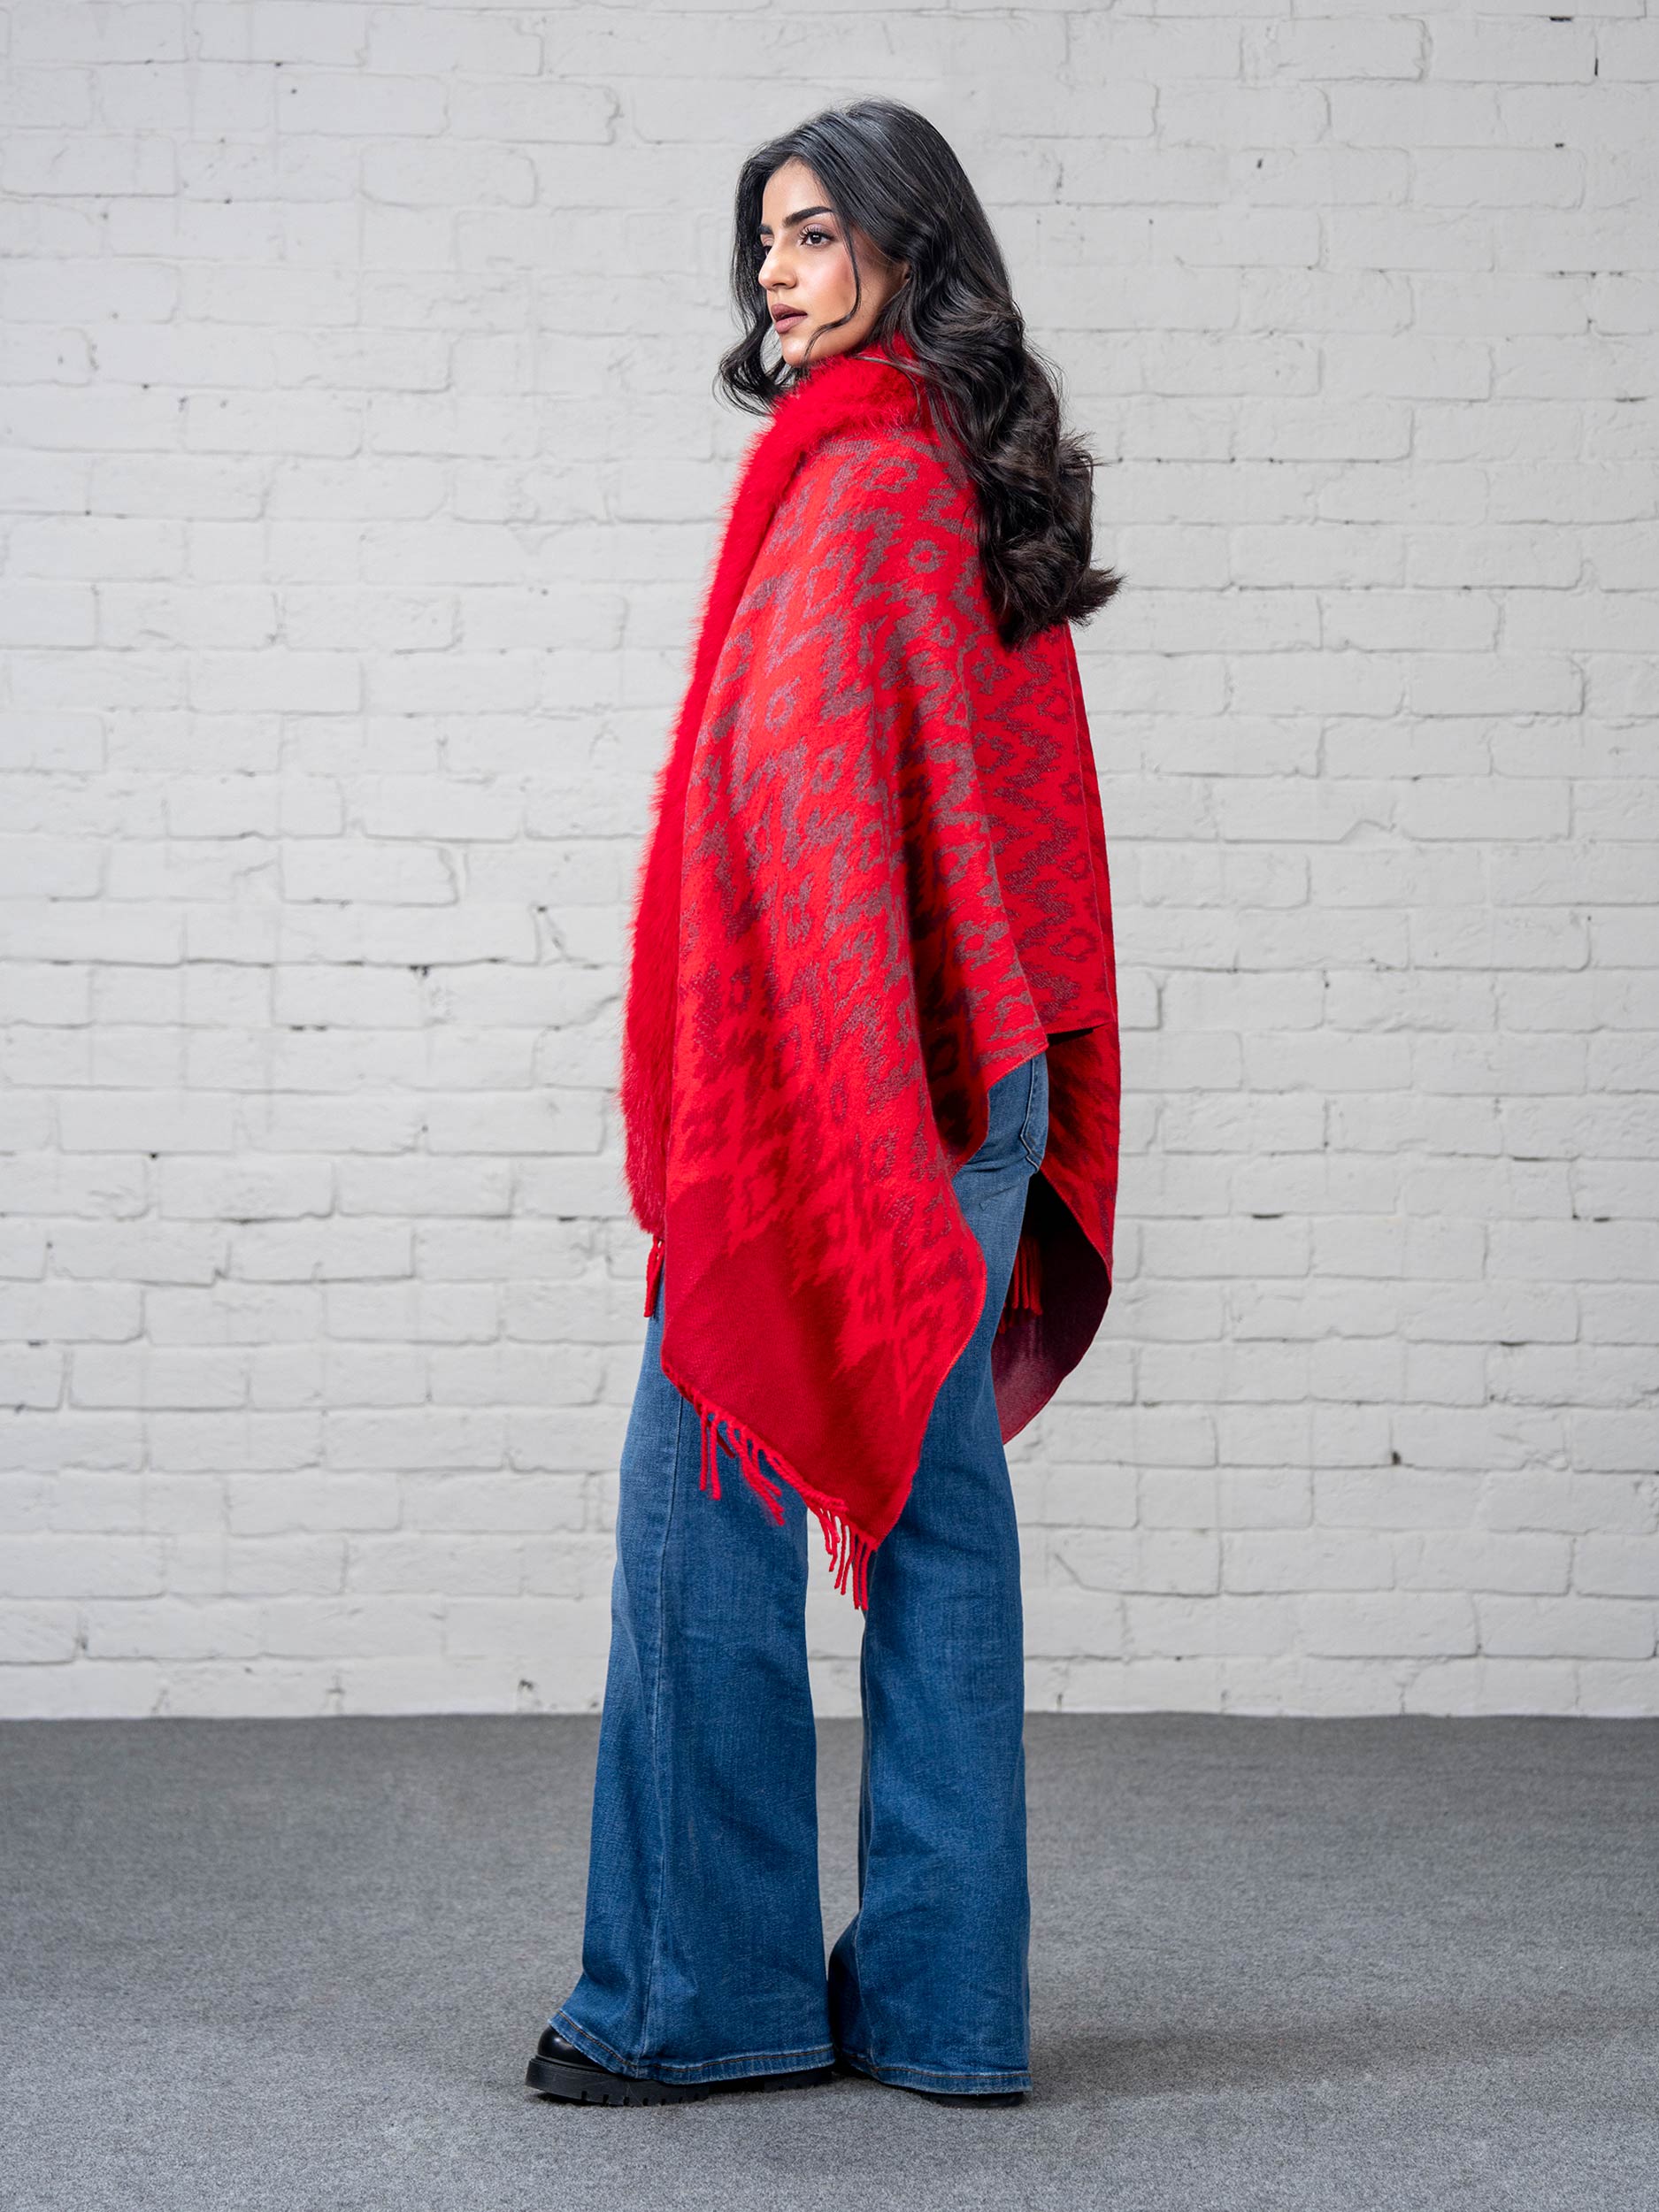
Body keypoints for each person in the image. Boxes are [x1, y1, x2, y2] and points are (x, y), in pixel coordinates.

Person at [526, 97, 1122, 2109]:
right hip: (983, 1067)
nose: (772, 273)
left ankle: (696, 1998)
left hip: (848, 1087)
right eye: (763, 239)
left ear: (903, 244)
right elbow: (997, 824)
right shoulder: (969, 470)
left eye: (808, 233)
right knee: (938, 1515)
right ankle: (950, 2014)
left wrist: (768, 1109)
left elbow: (792, 824)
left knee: (698, 1494)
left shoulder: (858, 483)